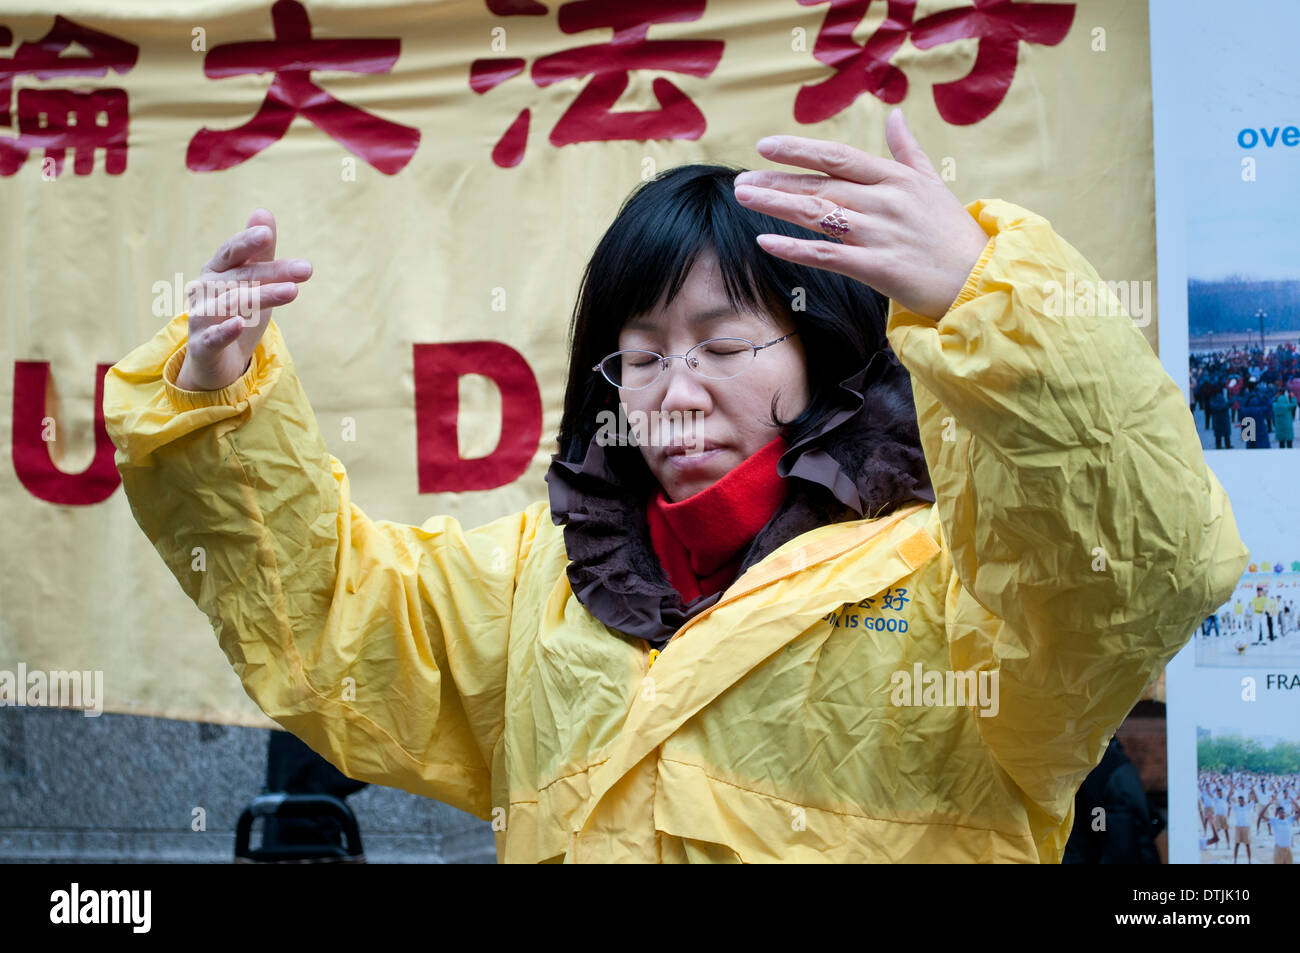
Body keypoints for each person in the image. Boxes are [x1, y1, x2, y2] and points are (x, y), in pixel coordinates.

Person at [103, 111, 1248, 864]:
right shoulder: (537, 583)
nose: (674, 389)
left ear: (821, 354)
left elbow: (1144, 565)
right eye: (642, 353)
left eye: (722, 341)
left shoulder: (961, 578)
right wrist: (222, 395)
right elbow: (327, 613)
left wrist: (994, 304)